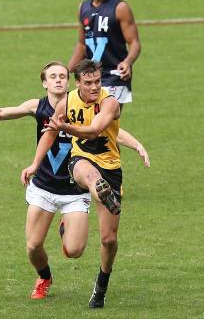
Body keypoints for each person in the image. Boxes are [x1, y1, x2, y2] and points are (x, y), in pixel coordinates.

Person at [0, 61, 149, 301]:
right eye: (52, 76)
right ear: (44, 83)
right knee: (33, 246)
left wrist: (136, 144)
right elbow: (0, 114)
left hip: (75, 189)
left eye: (62, 75)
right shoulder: (40, 107)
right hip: (44, 187)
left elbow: (110, 130)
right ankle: (44, 277)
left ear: (69, 81)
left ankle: (72, 222)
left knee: (75, 251)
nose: (58, 80)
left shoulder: (83, 105)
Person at [21, 59, 128, 309]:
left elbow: (94, 130)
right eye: (88, 83)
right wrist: (35, 163)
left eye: (97, 82)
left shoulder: (110, 102)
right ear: (77, 83)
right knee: (88, 174)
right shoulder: (67, 101)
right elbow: (50, 132)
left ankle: (102, 284)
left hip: (111, 167)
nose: (94, 87)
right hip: (80, 162)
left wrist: (65, 126)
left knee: (109, 240)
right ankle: (98, 191)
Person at [68, 0, 141, 107]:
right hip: (91, 75)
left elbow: (134, 43)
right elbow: (82, 44)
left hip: (115, 74)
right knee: (93, 124)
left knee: (104, 121)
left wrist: (127, 62)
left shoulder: (120, 8)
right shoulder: (83, 7)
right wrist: (66, 70)